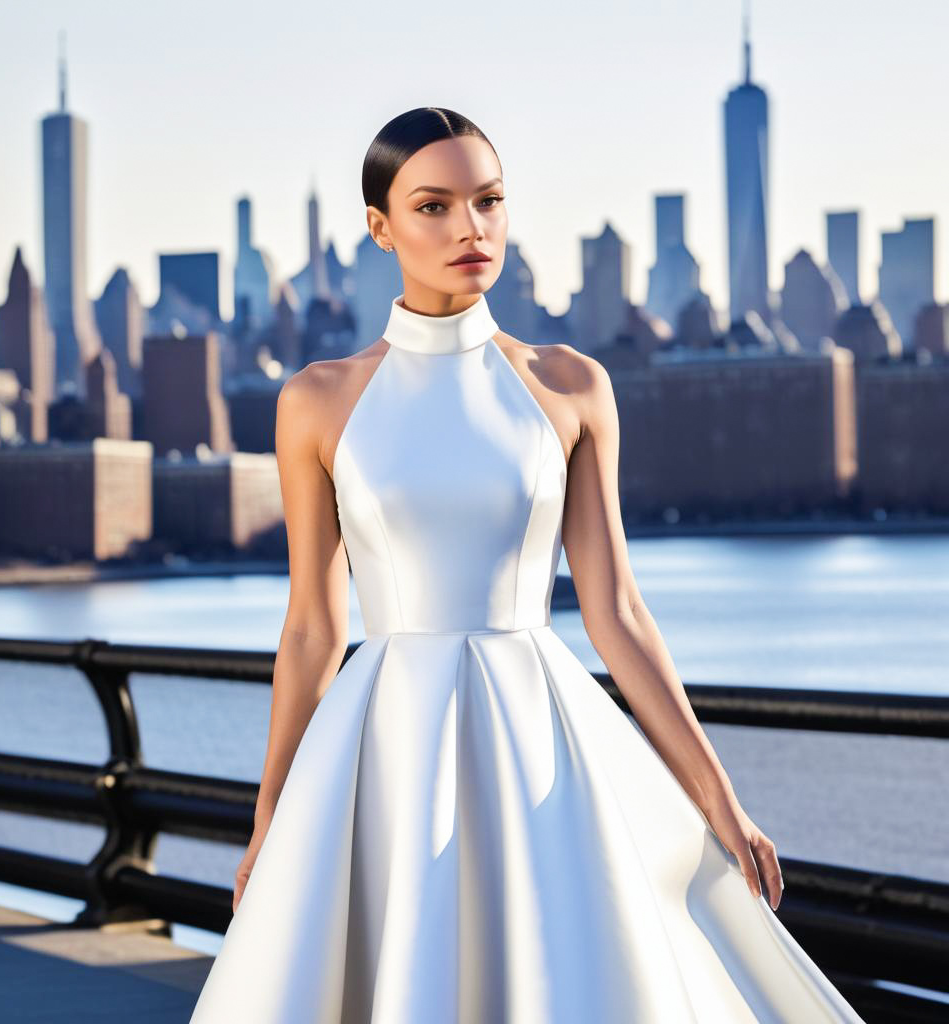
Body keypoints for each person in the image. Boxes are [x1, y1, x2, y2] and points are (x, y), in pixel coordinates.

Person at [189, 107, 866, 1022]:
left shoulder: (572, 384)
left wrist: (719, 796)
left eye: (489, 200)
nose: (471, 228)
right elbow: (313, 624)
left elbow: (616, 609)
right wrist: (271, 814)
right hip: (382, 747)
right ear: (380, 227)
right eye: (434, 205)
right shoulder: (316, 400)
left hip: (542, 736)